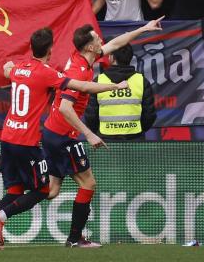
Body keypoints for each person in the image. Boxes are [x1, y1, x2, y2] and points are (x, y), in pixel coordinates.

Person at [0, 27, 128, 250]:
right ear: (50, 49)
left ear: (31, 48)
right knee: (43, 190)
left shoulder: (19, 68)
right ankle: (2, 215)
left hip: (7, 136)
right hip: (26, 142)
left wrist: (8, 66)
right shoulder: (46, 73)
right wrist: (114, 86)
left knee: (17, 191)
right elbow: (83, 86)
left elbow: (6, 68)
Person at [42, 17, 163, 247]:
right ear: (89, 46)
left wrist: (144, 28)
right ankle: (75, 239)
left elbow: (117, 43)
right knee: (88, 184)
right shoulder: (78, 70)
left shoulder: (85, 59)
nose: (102, 39)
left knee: (51, 190)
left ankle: (8, 175)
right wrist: (89, 134)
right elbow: (67, 108)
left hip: (54, 132)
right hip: (62, 134)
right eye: (97, 38)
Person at [85, 43, 157, 141]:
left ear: (112, 57)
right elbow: (149, 115)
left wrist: (100, 132)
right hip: (135, 139)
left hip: (106, 140)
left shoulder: (98, 81)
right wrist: (138, 132)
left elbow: (91, 116)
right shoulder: (141, 81)